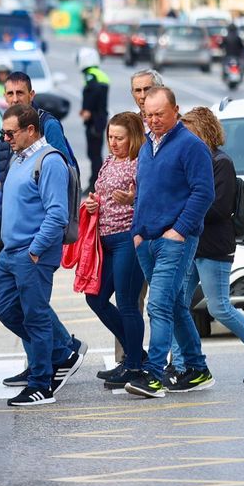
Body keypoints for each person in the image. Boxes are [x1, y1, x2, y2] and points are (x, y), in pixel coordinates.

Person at [122, 88, 214, 399]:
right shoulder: (148, 146)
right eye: (148, 115)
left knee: (158, 305)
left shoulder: (191, 146)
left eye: (159, 114)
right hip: (146, 239)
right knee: (174, 305)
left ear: (175, 110)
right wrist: (137, 231)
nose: (153, 120)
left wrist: (180, 230)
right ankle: (198, 368)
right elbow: (144, 192)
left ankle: (155, 374)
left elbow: (204, 193)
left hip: (175, 240)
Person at [180, 107, 244, 385]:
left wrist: (183, 209)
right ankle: (181, 363)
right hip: (192, 244)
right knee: (178, 305)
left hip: (213, 245)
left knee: (219, 307)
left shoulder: (220, 162)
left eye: (189, 132)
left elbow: (218, 207)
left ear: (203, 131)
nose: (183, 138)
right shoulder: (192, 160)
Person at [0, 104, 71, 407]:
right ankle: (62, 351)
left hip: (31, 254)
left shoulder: (49, 160)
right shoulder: (18, 157)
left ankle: (41, 384)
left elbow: (57, 214)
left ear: (30, 130)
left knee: (36, 318)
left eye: (11, 133)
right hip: (10, 253)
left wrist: (36, 250)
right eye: (3, 133)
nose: (6, 138)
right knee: (6, 311)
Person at [84, 111, 149, 388]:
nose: (113, 142)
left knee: (127, 303)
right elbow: (103, 194)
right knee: (95, 298)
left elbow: (153, 197)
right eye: (110, 137)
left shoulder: (141, 162)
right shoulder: (110, 160)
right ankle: (137, 353)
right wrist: (93, 203)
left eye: (119, 138)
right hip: (105, 239)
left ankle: (133, 364)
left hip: (127, 238)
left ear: (132, 138)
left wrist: (134, 198)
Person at [0, 71, 73, 186]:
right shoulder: (6, 128)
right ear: (5, 97)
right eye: (10, 94)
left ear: (31, 95)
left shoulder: (48, 125)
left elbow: (64, 172)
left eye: (20, 93)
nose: (15, 99)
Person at [78, 47, 110, 188]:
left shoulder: (91, 75)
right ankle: (95, 181)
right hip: (101, 119)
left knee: (94, 154)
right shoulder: (100, 74)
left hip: (95, 121)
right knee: (96, 153)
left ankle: (95, 184)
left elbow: (93, 91)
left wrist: (87, 109)